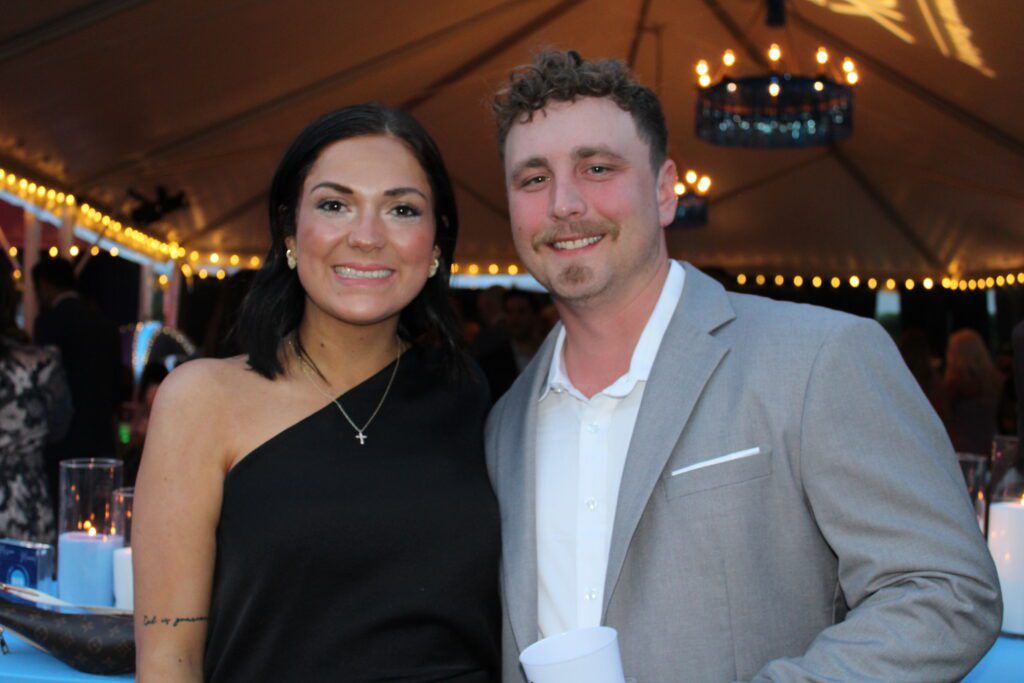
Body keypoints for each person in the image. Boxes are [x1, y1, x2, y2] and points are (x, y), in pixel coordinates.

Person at [484, 50, 1001, 682]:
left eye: (597, 168)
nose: (564, 203)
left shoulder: (818, 358)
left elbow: (946, 589)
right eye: (533, 179)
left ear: (665, 190)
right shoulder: (503, 424)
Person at [133, 103, 499, 681]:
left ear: (435, 247)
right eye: (335, 205)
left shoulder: (468, 394)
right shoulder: (201, 400)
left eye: (402, 209)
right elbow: (168, 659)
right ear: (290, 234)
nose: (367, 236)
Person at [31, 257, 121, 518]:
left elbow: (45, 389)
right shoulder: (103, 322)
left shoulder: (49, 322)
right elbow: (116, 384)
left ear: (44, 285)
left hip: (62, 443)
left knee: (65, 514)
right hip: (101, 435)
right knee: (98, 515)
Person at [0, 261, 72, 543]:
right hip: (23, 503)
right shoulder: (40, 364)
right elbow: (60, 427)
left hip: (22, 502)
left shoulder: (40, 363)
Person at [942, 328, 1003, 453]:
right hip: (990, 439)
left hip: (962, 444)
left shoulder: (955, 383)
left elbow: (944, 415)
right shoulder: (994, 379)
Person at [476, 290, 543, 401]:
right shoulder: (493, 361)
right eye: (509, 312)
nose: (515, 318)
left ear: (535, 316)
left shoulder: (548, 354)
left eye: (521, 312)